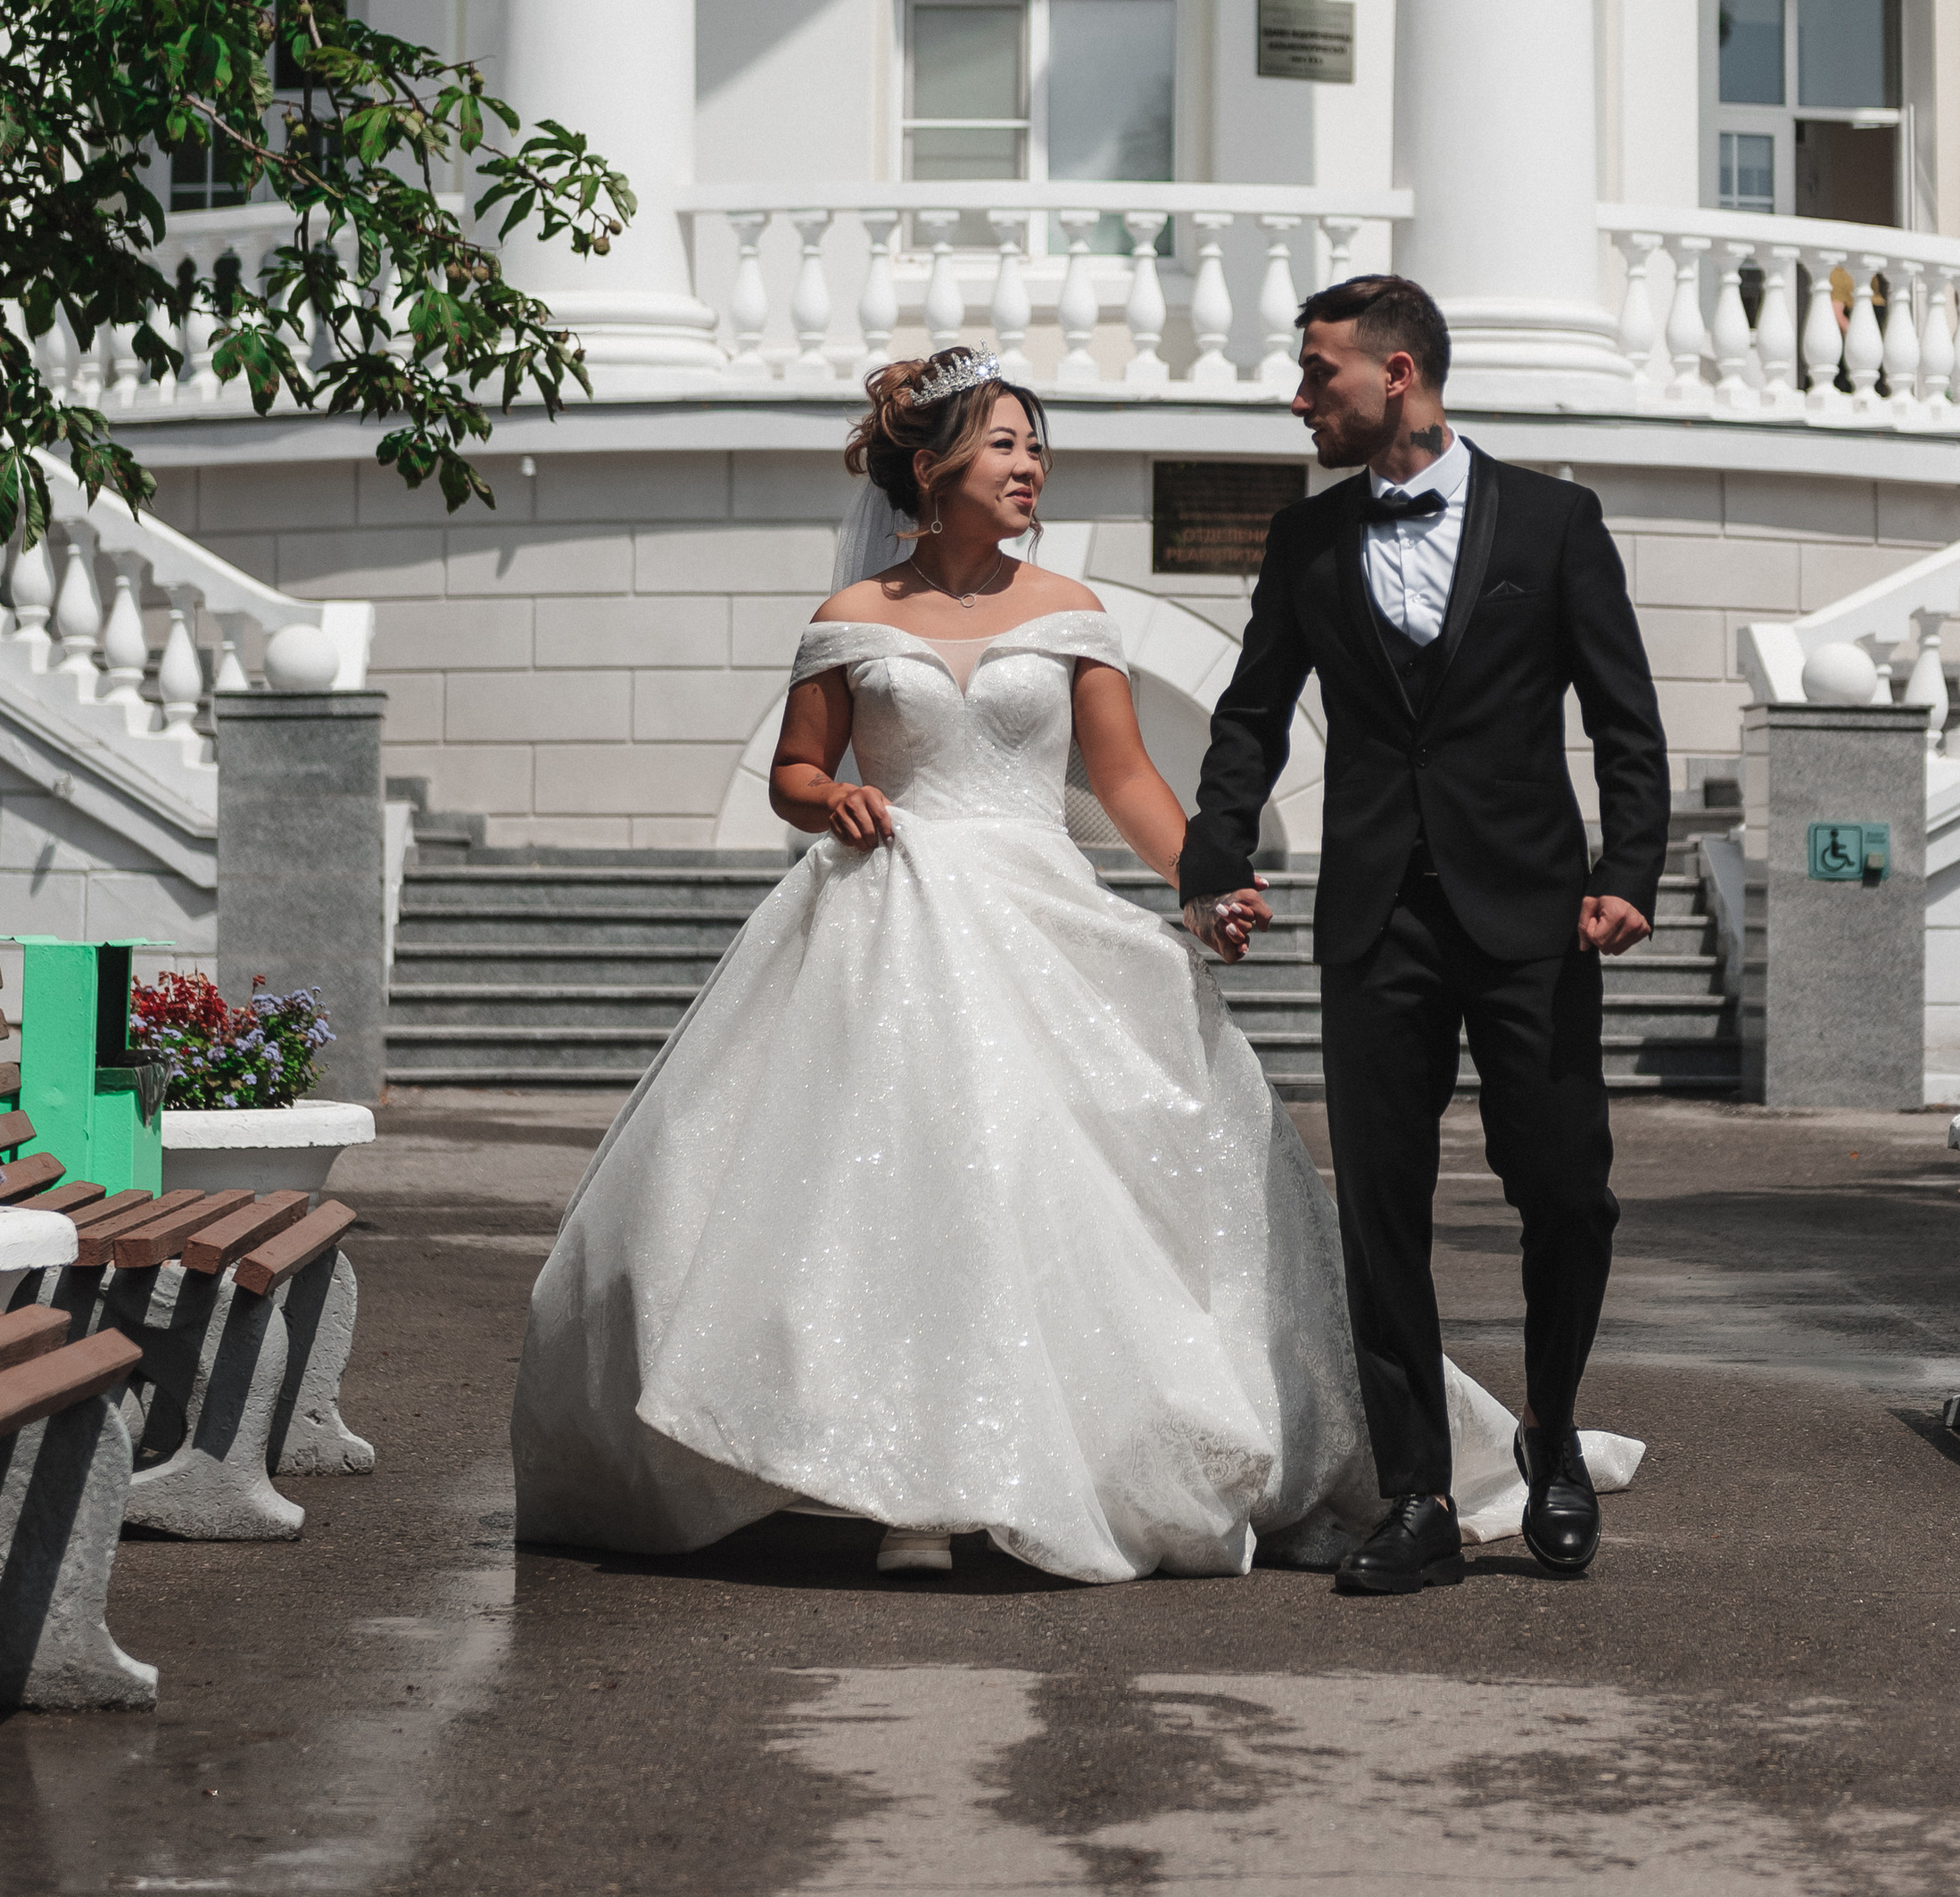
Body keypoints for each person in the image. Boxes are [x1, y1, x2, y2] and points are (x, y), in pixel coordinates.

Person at [510, 345, 1534, 1584]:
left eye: (1037, 446)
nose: (1031, 465)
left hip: (1034, 911)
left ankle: (1057, 1459)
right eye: (1005, 443)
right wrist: (832, 797)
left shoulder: (1069, 611)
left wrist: (1202, 880)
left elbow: (1125, 779)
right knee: (893, 1183)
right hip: (887, 917)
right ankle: (897, 1475)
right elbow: (793, 771)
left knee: (1040, 1176)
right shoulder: (849, 619)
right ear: (933, 468)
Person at [1179, 274, 1668, 1595]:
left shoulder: (1556, 523)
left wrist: (1630, 866)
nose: (1300, 399)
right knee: (1381, 1205)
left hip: (1532, 910)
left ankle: (1552, 1436)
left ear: (1395, 373)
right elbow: (1252, 712)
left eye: (1318, 373)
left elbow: (1623, 716)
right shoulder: (1308, 539)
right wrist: (1215, 853)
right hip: (1376, 913)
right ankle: (1419, 1495)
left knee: (1565, 1189)